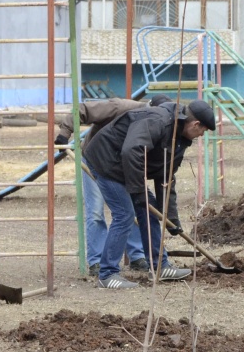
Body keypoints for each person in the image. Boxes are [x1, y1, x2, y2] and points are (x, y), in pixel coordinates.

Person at [82, 98, 216, 289]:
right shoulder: (158, 120)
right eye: (203, 130)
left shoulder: (179, 138)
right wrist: (137, 192)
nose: (202, 135)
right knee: (124, 214)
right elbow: (131, 151)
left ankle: (160, 266)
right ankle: (108, 274)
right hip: (106, 161)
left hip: (124, 167)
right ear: (195, 124)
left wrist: (172, 219)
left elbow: (166, 177)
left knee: (150, 209)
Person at [56, 95, 172, 279]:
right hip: (96, 159)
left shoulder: (161, 123)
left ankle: (137, 256)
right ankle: (97, 260)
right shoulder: (120, 107)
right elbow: (83, 109)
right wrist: (64, 133)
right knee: (96, 210)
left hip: (122, 165)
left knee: (134, 208)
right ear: (149, 108)